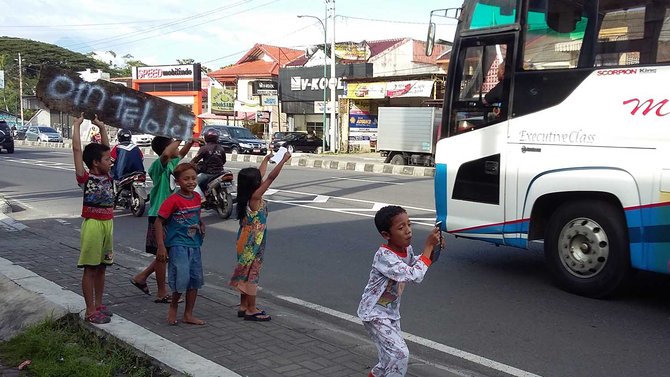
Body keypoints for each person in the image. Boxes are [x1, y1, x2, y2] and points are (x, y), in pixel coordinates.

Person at [357, 205, 444, 377]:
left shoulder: (406, 250)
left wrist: (434, 249)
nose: (408, 231)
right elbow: (414, 275)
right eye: (401, 227)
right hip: (374, 314)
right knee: (400, 355)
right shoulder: (384, 256)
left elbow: (416, 264)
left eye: (409, 224)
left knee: (388, 360)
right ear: (386, 235)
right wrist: (427, 247)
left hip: (390, 313)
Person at [130, 136, 198, 303]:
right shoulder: (157, 166)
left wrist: (189, 142)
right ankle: (161, 292)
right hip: (159, 215)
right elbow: (167, 154)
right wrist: (180, 137)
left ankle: (142, 277)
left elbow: (180, 154)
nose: (177, 148)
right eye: (174, 145)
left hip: (172, 215)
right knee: (162, 255)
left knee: (165, 254)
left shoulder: (173, 164)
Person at [229, 150, 291, 321]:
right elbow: (270, 178)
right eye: (258, 180)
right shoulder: (255, 198)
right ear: (255, 184)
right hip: (252, 243)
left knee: (245, 272)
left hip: (245, 238)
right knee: (252, 275)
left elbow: (262, 174)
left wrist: (265, 159)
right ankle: (251, 309)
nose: (261, 179)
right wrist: (283, 161)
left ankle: (243, 306)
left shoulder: (247, 195)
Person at [72, 112, 114, 324]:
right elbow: (77, 150)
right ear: (96, 163)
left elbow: (106, 149)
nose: (110, 161)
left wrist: (101, 127)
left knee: (102, 267)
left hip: (108, 224)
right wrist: (77, 126)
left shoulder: (108, 175)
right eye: (107, 159)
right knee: (90, 268)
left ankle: (99, 304)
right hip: (93, 226)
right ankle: (90, 311)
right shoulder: (86, 178)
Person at [154, 162, 206, 326]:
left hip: (194, 244)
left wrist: (201, 223)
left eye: (193, 178)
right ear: (177, 182)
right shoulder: (173, 200)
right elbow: (158, 222)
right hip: (177, 245)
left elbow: (196, 214)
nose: (191, 182)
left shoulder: (197, 197)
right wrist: (161, 246)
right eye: (186, 179)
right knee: (181, 279)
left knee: (194, 279)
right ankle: (174, 306)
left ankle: (188, 314)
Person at [190, 128, 226, 194]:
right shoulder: (221, 148)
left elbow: (194, 160)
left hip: (208, 174)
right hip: (220, 172)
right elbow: (224, 161)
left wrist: (190, 165)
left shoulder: (204, 148)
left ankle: (201, 198)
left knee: (193, 183)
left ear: (206, 137)